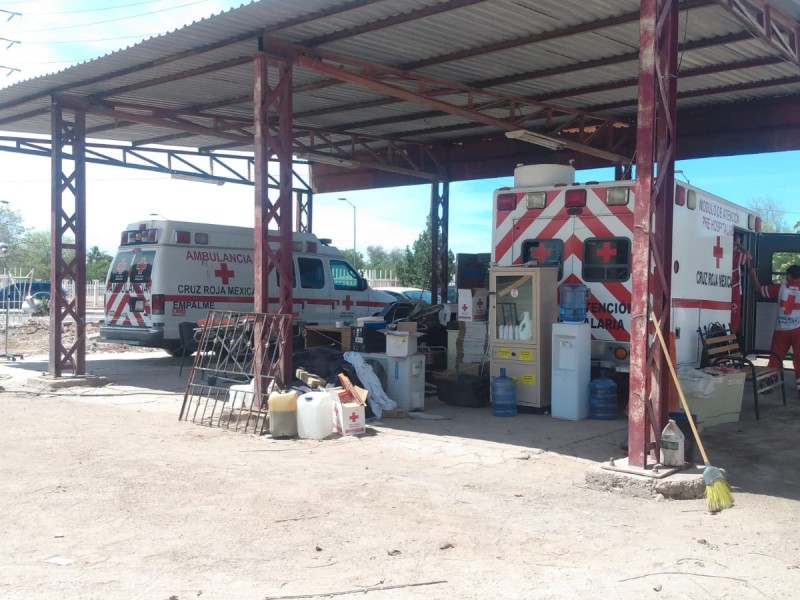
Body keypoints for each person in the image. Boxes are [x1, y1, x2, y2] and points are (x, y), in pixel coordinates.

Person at [748, 264, 800, 396]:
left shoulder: (780, 288)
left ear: (789, 275)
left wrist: (753, 275)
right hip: (798, 329)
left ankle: (768, 383)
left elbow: (760, 290)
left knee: (775, 357)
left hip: (781, 329)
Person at [731, 234, 752, 337]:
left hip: (728, 290)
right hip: (734, 290)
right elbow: (749, 256)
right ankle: (732, 339)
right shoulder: (734, 255)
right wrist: (739, 245)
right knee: (734, 319)